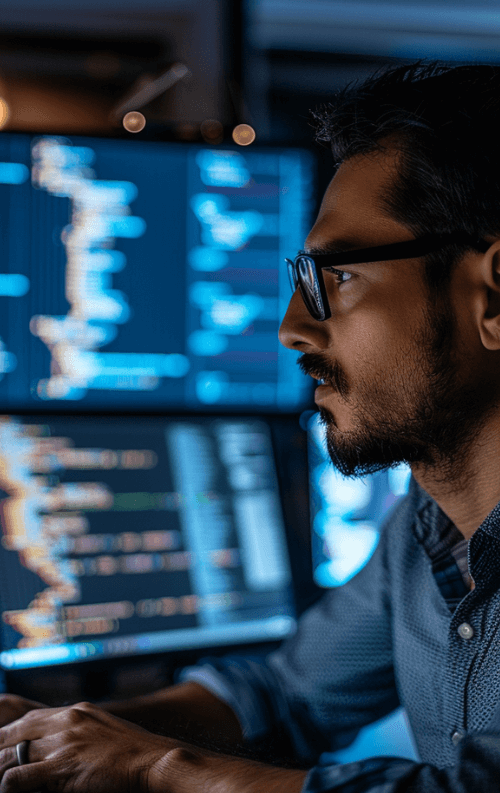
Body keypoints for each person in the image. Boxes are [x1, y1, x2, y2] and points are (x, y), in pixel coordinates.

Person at [2, 61, 500, 792]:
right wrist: (43, 735)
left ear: (492, 297)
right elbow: (283, 696)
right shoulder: (425, 531)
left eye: (338, 278)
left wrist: (161, 769)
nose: (292, 329)